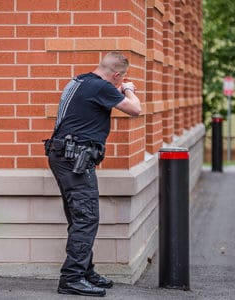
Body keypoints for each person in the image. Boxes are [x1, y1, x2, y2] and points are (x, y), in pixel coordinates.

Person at [44, 52, 141, 297]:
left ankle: (85, 271)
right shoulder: (102, 86)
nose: (123, 81)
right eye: (123, 78)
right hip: (74, 159)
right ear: (117, 75)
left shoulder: (80, 81)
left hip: (64, 156)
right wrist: (128, 89)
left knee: (79, 216)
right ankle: (72, 278)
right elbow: (135, 109)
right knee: (86, 217)